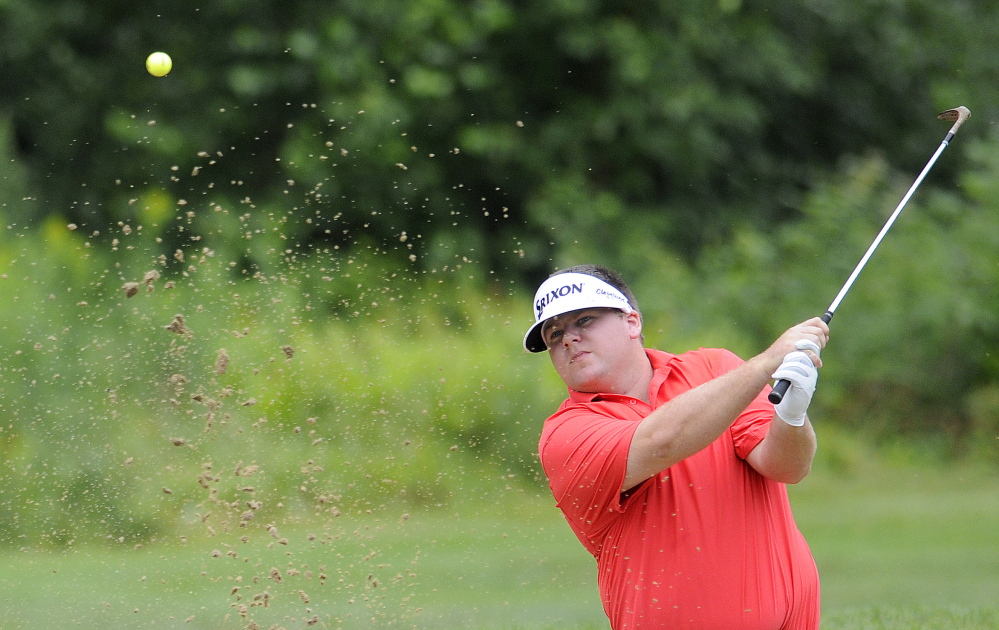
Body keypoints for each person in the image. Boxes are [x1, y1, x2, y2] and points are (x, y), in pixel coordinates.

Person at [524, 264, 829, 630]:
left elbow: (787, 467)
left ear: (632, 322)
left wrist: (792, 416)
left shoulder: (716, 368)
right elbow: (659, 442)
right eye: (554, 334)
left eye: (584, 320)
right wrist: (764, 364)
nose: (568, 339)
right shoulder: (565, 433)